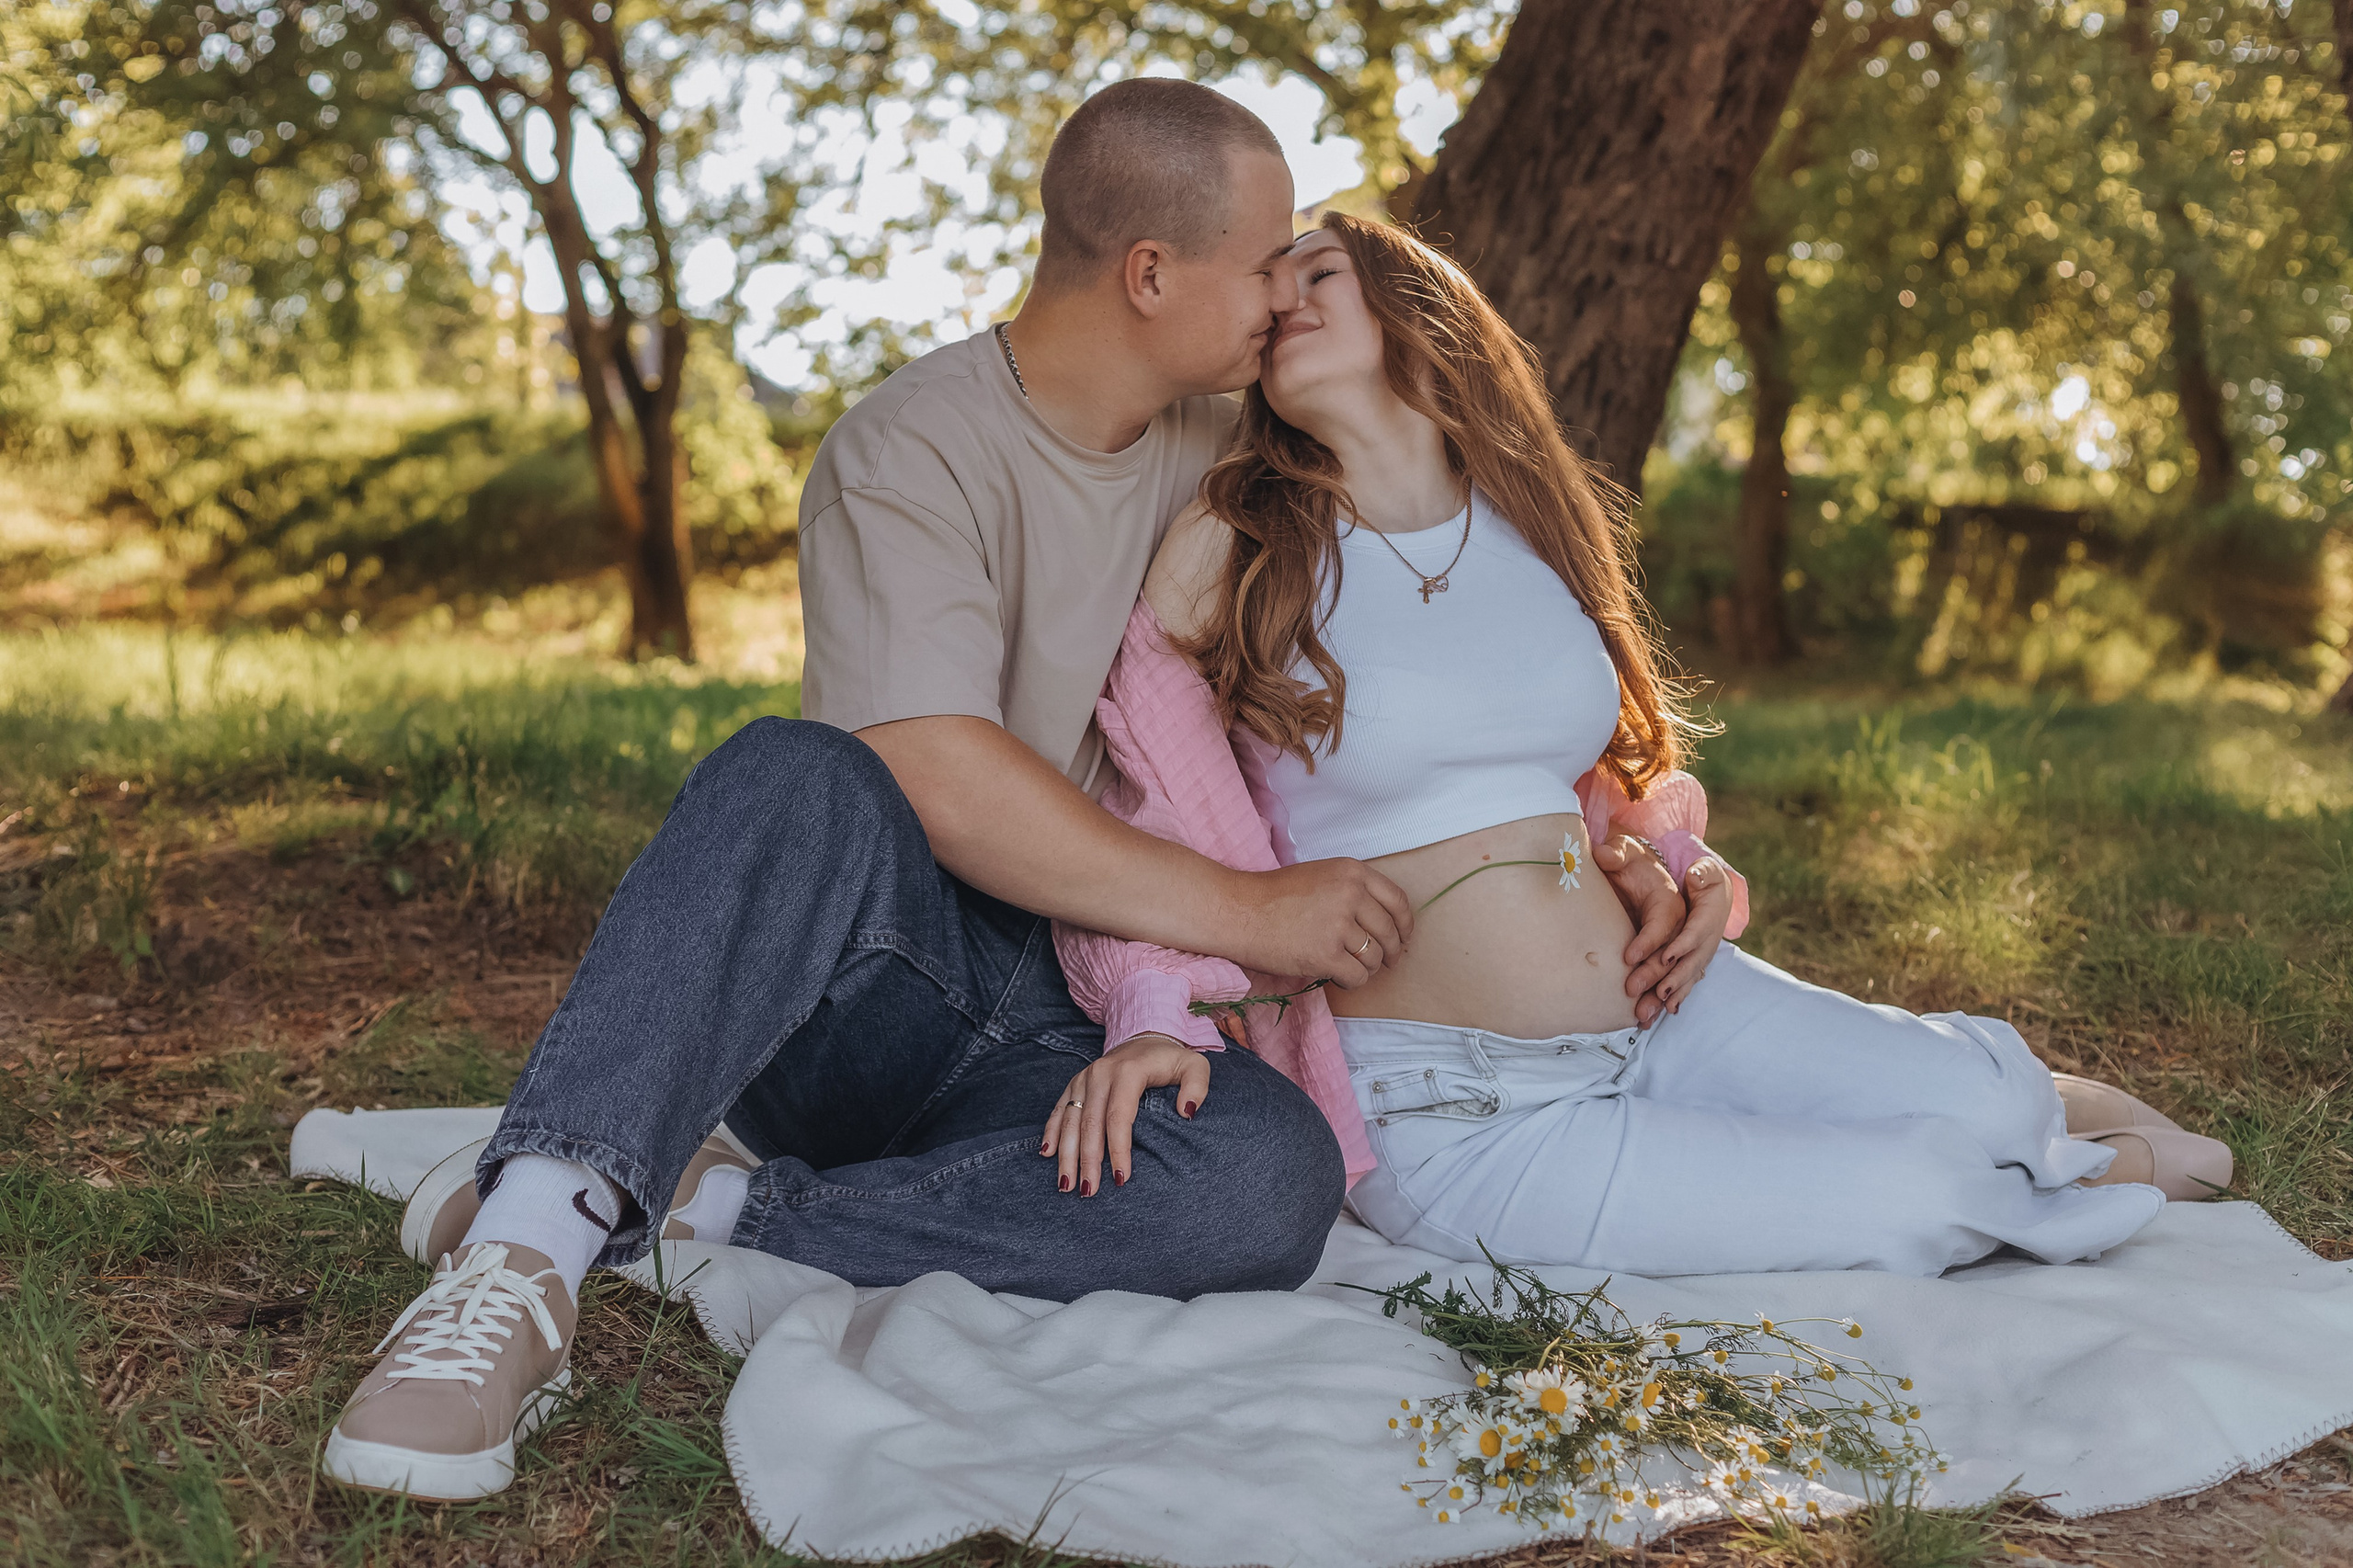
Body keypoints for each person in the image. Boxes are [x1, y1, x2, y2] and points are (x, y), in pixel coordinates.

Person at [320, 82, 1717, 1503]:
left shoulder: (1239, 448)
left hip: (1087, 1020)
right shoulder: (908, 448)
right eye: (1264, 262)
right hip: (885, 991)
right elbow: (936, 775)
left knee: (1266, 1174)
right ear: (1152, 274)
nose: (1287, 298)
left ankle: (717, 1209)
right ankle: (525, 1253)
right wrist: (1253, 912)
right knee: (793, 774)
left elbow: (1464, 639)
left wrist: (1645, 837)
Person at [1045, 211, 2232, 1280]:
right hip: (1461, 1103)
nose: (1285, 293)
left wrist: (1688, 872)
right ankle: (2073, 1160)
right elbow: (1141, 810)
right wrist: (1154, 1012)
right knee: (1920, 1190)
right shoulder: (1237, 540)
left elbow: (1604, 785)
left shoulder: (1528, 521)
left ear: (1416, 307)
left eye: (1321, 268)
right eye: (1271, 280)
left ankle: (2031, 1114)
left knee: (1976, 1093)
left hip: (1671, 1006)